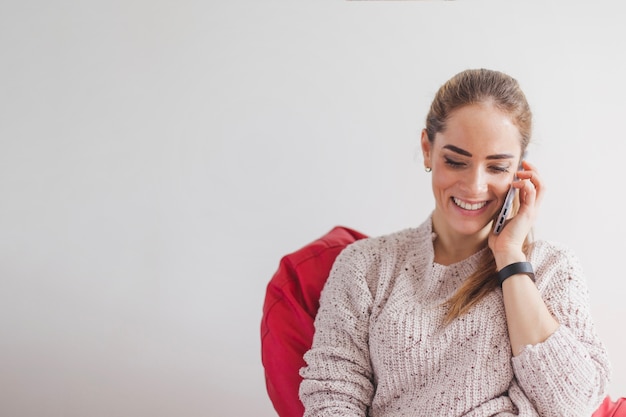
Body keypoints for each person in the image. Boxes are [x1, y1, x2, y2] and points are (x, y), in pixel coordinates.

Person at [298, 68, 611, 416]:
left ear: (520, 172)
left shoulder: (552, 268)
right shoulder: (365, 265)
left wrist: (508, 257)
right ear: (427, 150)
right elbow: (333, 395)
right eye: (456, 161)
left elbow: (576, 402)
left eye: (497, 168)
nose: (475, 187)